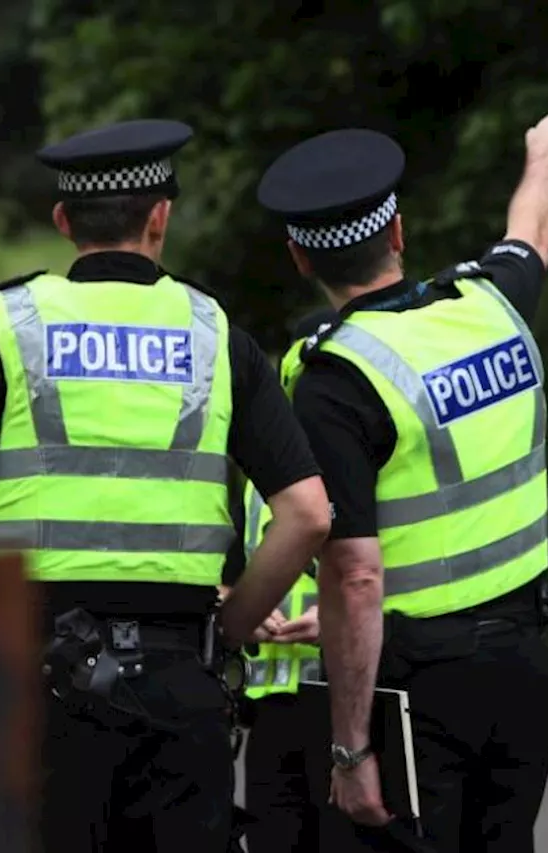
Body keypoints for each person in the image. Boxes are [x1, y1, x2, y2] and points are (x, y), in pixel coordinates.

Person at [0, 119, 331, 853]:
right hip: (178, 693)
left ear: (64, 220)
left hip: (37, 688)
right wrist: (228, 628)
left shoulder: (14, 327)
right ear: (161, 216)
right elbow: (308, 514)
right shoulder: (213, 332)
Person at [254, 84, 548, 853]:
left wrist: (349, 749)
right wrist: (545, 155)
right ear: (398, 232)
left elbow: (356, 577)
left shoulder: (335, 378)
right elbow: (530, 236)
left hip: (414, 689)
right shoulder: (488, 306)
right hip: (524, 662)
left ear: (300, 255)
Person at [227, 307, 339, 853]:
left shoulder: (373, 462)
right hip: (270, 708)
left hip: (349, 701)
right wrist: (241, 609)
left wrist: (339, 622)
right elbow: (218, 580)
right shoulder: (257, 481)